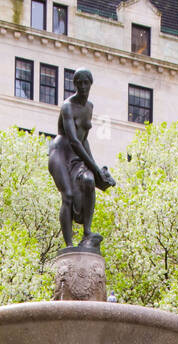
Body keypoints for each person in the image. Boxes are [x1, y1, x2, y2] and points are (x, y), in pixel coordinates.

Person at [48, 69, 115, 251]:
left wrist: (97, 172)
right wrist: (95, 167)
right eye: (80, 83)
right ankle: (69, 245)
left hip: (78, 153)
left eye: (86, 83)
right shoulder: (67, 106)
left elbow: (83, 140)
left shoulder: (89, 107)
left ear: (91, 84)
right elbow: (74, 140)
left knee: (89, 180)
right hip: (60, 153)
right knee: (68, 196)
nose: (83, 86)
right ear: (75, 84)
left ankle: (87, 232)